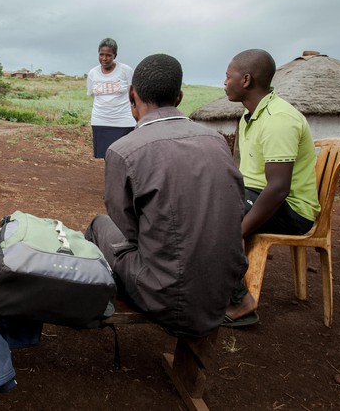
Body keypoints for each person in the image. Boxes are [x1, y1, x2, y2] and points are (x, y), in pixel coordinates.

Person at [85, 53, 247, 337]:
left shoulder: (124, 150)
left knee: (99, 226)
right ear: (180, 97)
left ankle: (90, 297)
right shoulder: (216, 141)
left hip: (166, 297)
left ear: (132, 95)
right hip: (220, 293)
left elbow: (129, 231)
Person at [222, 49, 321, 326]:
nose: (224, 82)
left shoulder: (278, 120)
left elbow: (278, 189)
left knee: (220, 222)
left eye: (227, 76)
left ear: (246, 80)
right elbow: (248, 176)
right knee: (204, 207)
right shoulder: (249, 117)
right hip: (258, 195)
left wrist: (236, 229)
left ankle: (241, 300)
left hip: (291, 209)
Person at [86, 38, 136, 158]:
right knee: (105, 156)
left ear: (115, 55)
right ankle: (111, 177)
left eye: (108, 55)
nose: (104, 58)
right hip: (100, 120)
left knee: (126, 156)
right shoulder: (93, 73)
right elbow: (93, 94)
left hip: (124, 121)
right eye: (101, 54)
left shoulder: (125, 71)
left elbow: (134, 93)